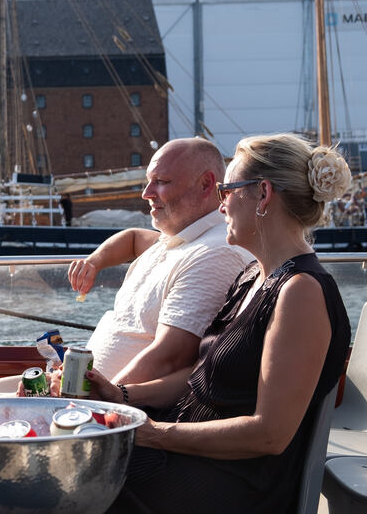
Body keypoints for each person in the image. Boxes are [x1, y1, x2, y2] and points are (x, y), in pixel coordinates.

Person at [87, 133, 352, 512]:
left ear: (262, 194)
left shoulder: (301, 292)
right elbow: (200, 374)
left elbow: (269, 435)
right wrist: (124, 396)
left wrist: (155, 435)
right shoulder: (251, 277)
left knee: (70, 490)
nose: (221, 204)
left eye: (227, 189)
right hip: (185, 451)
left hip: (229, 481)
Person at [67, 138, 253, 384]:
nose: (146, 193)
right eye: (148, 181)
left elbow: (170, 359)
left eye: (161, 182)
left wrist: (92, 399)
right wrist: (94, 262)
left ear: (206, 184)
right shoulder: (178, 240)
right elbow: (132, 238)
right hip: (88, 392)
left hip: (115, 411)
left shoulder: (213, 254)